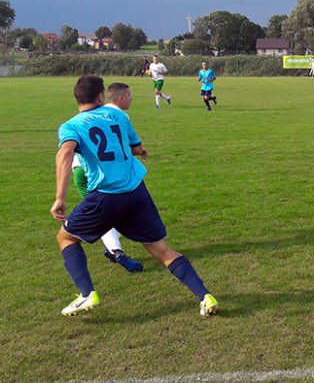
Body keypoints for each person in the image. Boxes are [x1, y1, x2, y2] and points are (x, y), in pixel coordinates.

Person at [51, 75, 218, 317]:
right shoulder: (117, 115)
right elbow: (135, 146)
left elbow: (66, 153)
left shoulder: (71, 126)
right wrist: (140, 151)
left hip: (106, 196)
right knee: (162, 250)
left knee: (66, 238)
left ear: (77, 97)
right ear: (100, 96)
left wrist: (60, 197)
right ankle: (205, 296)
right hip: (137, 192)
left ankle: (87, 294)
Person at [70, 83, 143, 273]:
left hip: (79, 169)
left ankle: (112, 249)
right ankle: (116, 252)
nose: (132, 99)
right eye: (129, 95)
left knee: (108, 211)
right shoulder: (119, 115)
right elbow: (124, 148)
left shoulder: (91, 113)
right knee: (107, 213)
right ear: (120, 98)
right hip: (100, 172)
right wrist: (140, 151)